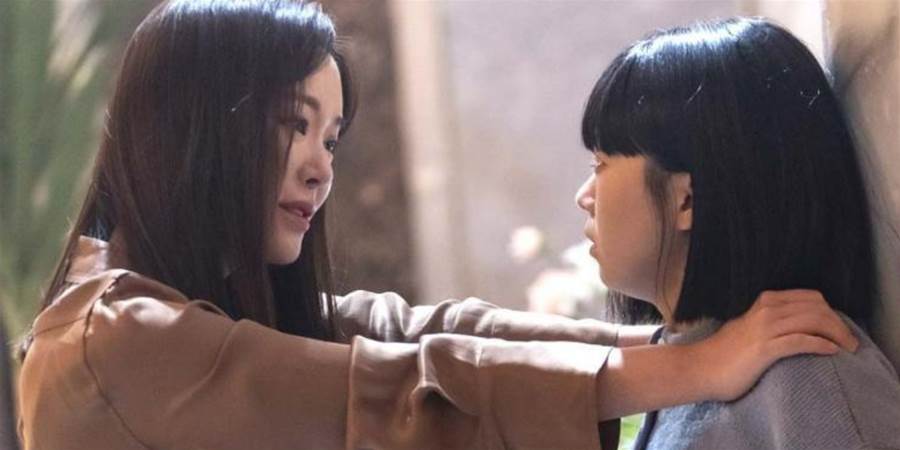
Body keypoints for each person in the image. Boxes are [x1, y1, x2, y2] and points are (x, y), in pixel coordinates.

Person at [17, 3, 858, 450]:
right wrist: (696, 362)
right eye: (291, 124)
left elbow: (421, 331)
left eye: (331, 138)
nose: (320, 167)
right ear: (196, 127)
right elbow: (387, 388)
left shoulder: (815, 393)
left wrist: (680, 344)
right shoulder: (110, 341)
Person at [576, 17, 900, 450]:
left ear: (687, 200)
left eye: (600, 164)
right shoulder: (695, 365)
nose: (585, 196)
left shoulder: (806, 371)